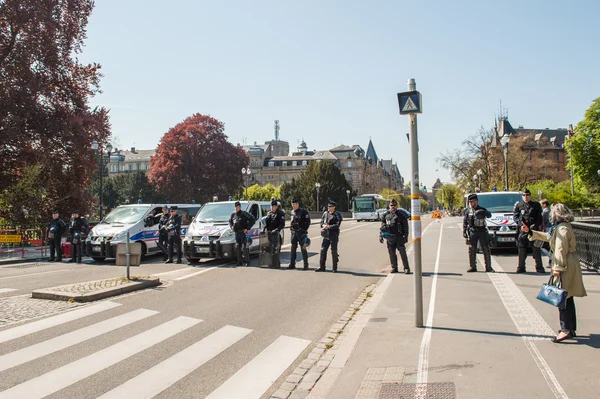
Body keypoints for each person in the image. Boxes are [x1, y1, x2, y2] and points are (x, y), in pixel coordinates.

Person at [521, 203, 587, 343]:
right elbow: (549, 237)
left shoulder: (562, 229)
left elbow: (560, 249)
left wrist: (558, 268)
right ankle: (570, 328)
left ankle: (565, 330)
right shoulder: (563, 227)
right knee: (567, 297)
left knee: (561, 298)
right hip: (569, 262)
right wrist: (531, 232)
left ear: (556, 214)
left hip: (565, 264)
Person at [513, 188, 545, 273]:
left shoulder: (536, 205)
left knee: (536, 249)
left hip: (533, 230)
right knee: (522, 250)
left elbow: (539, 218)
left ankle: (539, 267)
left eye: (527, 195)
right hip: (523, 230)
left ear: (530, 196)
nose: (525, 197)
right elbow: (515, 217)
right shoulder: (519, 205)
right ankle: (521, 267)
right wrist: (520, 224)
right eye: (524, 195)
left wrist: (534, 226)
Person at [463, 193, 494, 273]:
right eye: (470, 202)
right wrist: (464, 232)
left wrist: (483, 212)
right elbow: (465, 222)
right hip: (473, 231)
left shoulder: (482, 209)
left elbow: (489, 215)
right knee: (471, 249)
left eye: (472, 202)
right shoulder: (468, 211)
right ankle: (473, 266)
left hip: (482, 231)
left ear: (476, 201)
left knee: (485, 249)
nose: (471, 203)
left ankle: (488, 267)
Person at [380, 199, 411, 274]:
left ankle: (406, 268)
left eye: (394, 205)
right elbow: (382, 226)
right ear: (389, 206)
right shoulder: (386, 215)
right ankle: (394, 267)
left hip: (399, 237)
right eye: (391, 205)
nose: (393, 207)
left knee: (403, 253)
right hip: (390, 237)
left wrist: (406, 236)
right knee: (392, 253)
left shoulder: (401, 215)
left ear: (397, 206)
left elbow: (405, 226)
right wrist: (380, 236)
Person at [316, 200, 342, 273]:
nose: (329, 208)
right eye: (328, 206)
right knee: (323, 250)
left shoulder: (337, 214)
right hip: (326, 234)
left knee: (333, 251)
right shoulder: (325, 214)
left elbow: (337, 225)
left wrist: (329, 226)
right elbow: (321, 222)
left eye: (330, 207)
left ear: (334, 207)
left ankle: (334, 267)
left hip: (333, 234)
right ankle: (322, 266)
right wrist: (323, 226)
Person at [229, 201, 256, 266]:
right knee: (238, 247)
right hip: (237, 233)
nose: (236, 208)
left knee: (245, 247)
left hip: (243, 233)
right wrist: (232, 227)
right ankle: (239, 261)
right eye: (235, 207)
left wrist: (247, 228)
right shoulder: (233, 214)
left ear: (240, 207)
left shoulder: (244, 213)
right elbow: (230, 222)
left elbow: (252, 220)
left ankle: (247, 262)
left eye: (238, 207)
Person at [288, 197, 311, 269]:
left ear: (298, 204)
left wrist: (304, 230)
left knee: (303, 248)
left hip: (301, 232)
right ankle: (292, 264)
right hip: (294, 232)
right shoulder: (292, 212)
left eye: (294, 204)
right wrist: (291, 229)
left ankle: (305, 264)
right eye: (292, 204)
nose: (293, 206)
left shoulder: (303, 212)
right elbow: (291, 222)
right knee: (293, 248)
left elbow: (308, 222)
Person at [264, 199, 285, 268]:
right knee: (270, 248)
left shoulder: (280, 213)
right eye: (271, 206)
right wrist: (265, 229)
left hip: (276, 234)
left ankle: (276, 263)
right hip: (270, 233)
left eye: (274, 206)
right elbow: (267, 224)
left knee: (276, 249)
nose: (272, 207)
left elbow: (282, 224)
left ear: (276, 206)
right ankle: (271, 263)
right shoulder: (269, 213)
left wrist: (276, 230)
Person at [540, 199, 553, 268]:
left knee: (544, 246)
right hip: (550, 229)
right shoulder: (550, 211)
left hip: (547, 229)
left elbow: (543, 222)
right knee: (551, 246)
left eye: (541, 204)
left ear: (544, 204)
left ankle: (552, 258)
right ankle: (551, 261)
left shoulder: (545, 212)